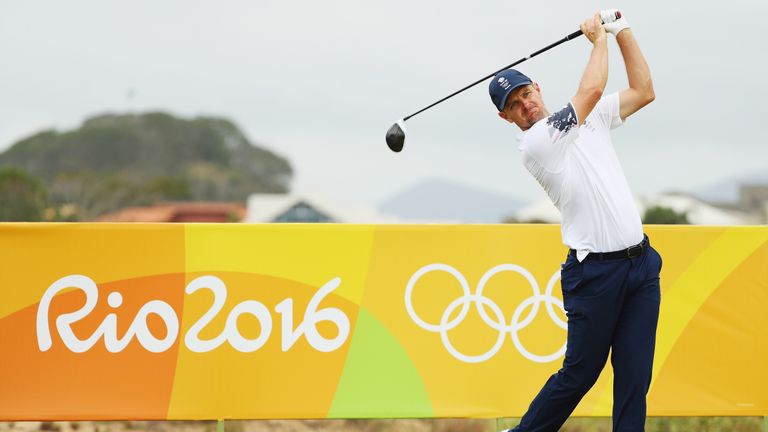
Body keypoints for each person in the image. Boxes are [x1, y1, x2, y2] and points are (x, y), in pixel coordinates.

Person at [489, 11, 662, 432]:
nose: (524, 104)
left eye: (525, 93)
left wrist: (621, 31)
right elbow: (592, 87)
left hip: (640, 265)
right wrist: (597, 38)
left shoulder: (595, 117)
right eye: (513, 104)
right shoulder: (536, 144)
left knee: (635, 378)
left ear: (537, 88)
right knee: (580, 375)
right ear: (506, 118)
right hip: (594, 274)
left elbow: (644, 90)